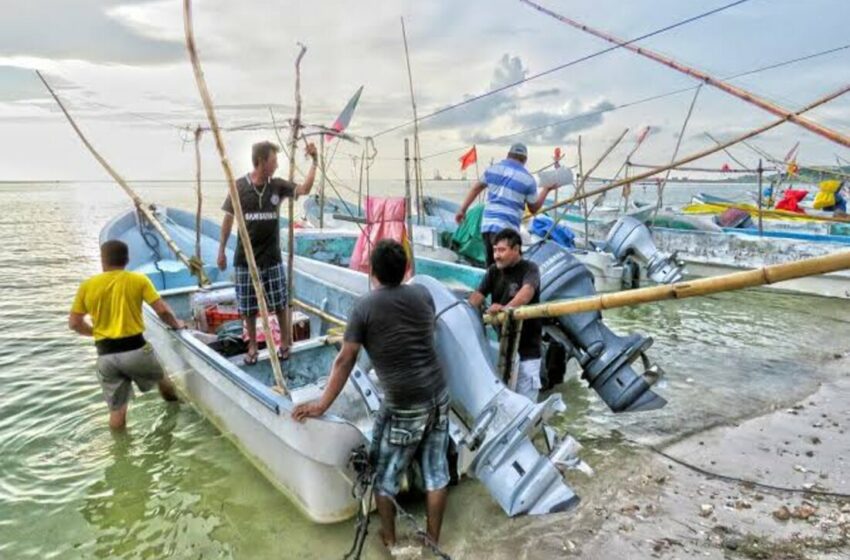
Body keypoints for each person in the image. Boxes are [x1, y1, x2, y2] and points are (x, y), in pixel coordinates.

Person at [292, 239, 450, 549]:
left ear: (371, 271)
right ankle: (432, 539)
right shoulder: (422, 294)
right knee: (436, 473)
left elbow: (345, 359)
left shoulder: (364, 306)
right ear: (406, 269)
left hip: (404, 405)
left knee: (384, 477)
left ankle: (390, 539)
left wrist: (322, 404)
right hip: (438, 394)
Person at [217, 140, 318, 364]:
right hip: (246, 258)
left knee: (279, 303)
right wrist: (222, 249)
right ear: (261, 161)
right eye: (274, 160)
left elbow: (305, 189)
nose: (277, 164)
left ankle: (284, 342)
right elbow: (227, 219)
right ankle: (252, 345)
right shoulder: (239, 187)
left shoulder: (277, 186)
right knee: (248, 306)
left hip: (271, 258)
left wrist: (315, 161)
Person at [69, 240, 185, 430]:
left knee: (117, 412)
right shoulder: (138, 280)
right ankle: (177, 411)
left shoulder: (87, 286)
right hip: (137, 350)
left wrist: (96, 333)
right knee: (163, 381)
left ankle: (119, 453)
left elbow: (74, 323)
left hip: (105, 356)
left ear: (102, 260)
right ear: (127, 259)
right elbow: (163, 311)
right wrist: (177, 324)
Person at [468, 228, 543, 402]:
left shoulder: (530, 269)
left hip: (527, 353)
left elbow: (527, 292)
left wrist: (505, 308)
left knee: (526, 404)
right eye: (495, 250)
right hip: (504, 351)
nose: (496, 255)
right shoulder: (494, 271)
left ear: (516, 249)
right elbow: (477, 297)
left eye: (502, 250)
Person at [454, 143, 556, 266]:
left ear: (508, 155)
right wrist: (546, 190)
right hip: (507, 231)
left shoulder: (493, 169)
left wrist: (462, 210)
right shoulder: (528, 179)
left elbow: (476, 188)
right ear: (525, 160)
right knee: (512, 269)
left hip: (487, 227)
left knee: (492, 268)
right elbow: (533, 208)